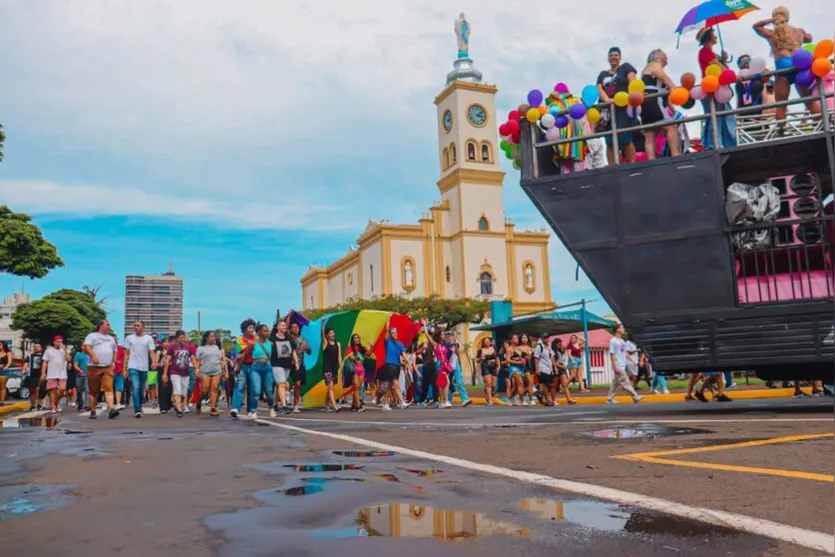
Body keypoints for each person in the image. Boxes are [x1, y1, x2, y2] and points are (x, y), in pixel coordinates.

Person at [753, 6, 818, 125]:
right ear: (787, 18)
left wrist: (770, 21)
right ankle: (822, 124)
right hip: (799, 65)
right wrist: (802, 34)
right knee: (810, 102)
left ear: (774, 18)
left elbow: (755, 26)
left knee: (781, 106)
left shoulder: (772, 34)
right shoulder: (798, 31)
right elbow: (809, 38)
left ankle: (781, 132)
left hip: (783, 65)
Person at [696, 28, 737, 149]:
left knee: (724, 116)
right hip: (713, 89)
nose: (716, 36)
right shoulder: (705, 51)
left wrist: (723, 60)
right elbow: (717, 66)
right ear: (709, 36)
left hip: (719, 89)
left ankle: (726, 143)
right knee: (716, 117)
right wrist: (732, 75)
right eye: (714, 34)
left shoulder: (712, 53)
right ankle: (712, 144)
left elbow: (723, 67)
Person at [596, 46, 638, 164]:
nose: (613, 57)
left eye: (616, 55)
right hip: (608, 109)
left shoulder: (625, 67)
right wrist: (607, 100)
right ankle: (612, 166)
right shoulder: (603, 74)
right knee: (609, 140)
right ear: (608, 58)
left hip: (623, 107)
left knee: (626, 138)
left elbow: (632, 81)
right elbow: (599, 88)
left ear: (620, 57)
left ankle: (632, 163)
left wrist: (634, 95)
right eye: (611, 55)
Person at [640, 49, 681, 160]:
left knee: (650, 133)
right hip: (655, 102)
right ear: (657, 57)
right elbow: (663, 77)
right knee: (671, 126)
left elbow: (665, 97)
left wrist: (674, 111)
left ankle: (651, 160)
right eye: (664, 54)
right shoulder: (654, 64)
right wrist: (675, 88)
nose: (666, 56)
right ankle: (675, 155)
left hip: (646, 103)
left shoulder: (645, 71)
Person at [83, 320, 119, 419]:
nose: (109, 326)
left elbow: (115, 350)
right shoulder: (92, 335)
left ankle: (111, 409)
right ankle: (93, 410)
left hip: (107, 367)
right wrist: (93, 355)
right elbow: (87, 347)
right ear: (101, 326)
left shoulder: (111, 338)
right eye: (107, 324)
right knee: (93, 390)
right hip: (94, 367)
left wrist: (113, 361)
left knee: (108, 388)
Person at [123, 320, 157, 418]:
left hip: (144, 367)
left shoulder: (148, 338)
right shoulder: (129, 338)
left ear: (143, 327)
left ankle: (139, 406)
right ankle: (137, 410)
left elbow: (152, 352)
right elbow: (126, 353)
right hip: (132, 366)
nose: (135, 327)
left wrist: (154, 362)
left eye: (138, 325)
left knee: (141, 389)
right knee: (136, 387)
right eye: (134, 325)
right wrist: (124, 368)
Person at [163, 330, 198, 418]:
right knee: (177, 390)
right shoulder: (172, 348)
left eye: (184, 337)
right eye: (182, 338)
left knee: (184, 392)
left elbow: (193, 358)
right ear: (177, 338)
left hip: (185, 373)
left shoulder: (188, 347)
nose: (184, 339)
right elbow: (167, 361)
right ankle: (179, 409)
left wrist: (196, 368)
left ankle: (177, 404)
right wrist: (165, 374)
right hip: (175, 372)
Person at [606, 324, 643, 404]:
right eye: (622, 328)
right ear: (617, 330)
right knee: (626, 381)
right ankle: (635, 397)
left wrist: (631, 361)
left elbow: (625, 353)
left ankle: (609, 398)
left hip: (622, 365)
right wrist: (614, 366)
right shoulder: (613, 341)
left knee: (615, 383)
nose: (623, 329)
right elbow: (612, 354)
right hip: (617, 365)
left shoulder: (622, 341)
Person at [230, 319, 257, 419]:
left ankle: (251, 410)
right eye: (250, 327)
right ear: (245, 329)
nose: (252, 329)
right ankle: (235, 407)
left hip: (254, 365)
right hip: (243, 366)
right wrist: (249, 350)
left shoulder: (257, 338)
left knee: (253, 389)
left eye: (253, 327)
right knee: (240, 386)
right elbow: (239, 355)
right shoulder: (239, 340)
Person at [269, 320, 297, 416]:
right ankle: (284, 406)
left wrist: (296, 362)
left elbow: (293, 351)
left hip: (287, 364)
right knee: (282, 384)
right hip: (276, 364)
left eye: (285, 325)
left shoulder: (289, 338)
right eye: (282, 325)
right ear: (277, 327)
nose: (284, 326)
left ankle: (275, 403)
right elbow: (269, 351)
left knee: (279, 385)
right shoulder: (272, 338)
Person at [196, 331, 224, 416]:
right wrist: (197, 369)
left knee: (215, 388)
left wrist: (222, 368)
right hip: (205, 371)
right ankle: (199, 401)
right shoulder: (200, 348)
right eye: (211, 336)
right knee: (205, 390)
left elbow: (220, 359)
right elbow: (197, 360)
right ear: (206, 338)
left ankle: (213, 407)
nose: (214, 338)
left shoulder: (216, 347)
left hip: (216, 371)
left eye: (214, 336)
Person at [41, 335, 71, 414]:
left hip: (62, 373)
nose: (59, 343)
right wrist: (43, 373)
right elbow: (45, 362)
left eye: (61, 341)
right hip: (51, 373)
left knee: (62, 389)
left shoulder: (64, 351)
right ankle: (52, 406)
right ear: (54, 342)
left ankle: (56, 402)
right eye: (58, 341)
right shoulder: (49, 351)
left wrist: (64, 349)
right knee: (52, 391)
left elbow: (69, 359)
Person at [381, 327, 408, 411]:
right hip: (389, 364)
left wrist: (407, 362)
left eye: (396, 332)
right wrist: (388, 322)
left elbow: (403, 353)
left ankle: (385, 404)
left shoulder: (400, 344)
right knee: (396, 384)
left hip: (397, 366)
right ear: (390, 334)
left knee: (389, 385)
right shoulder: (387, 342)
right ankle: (402, 402)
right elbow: (386, 333)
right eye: (393, 333)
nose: (395, 334)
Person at [549, 336, 578, 405]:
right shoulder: (552, 351)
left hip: (562, 368)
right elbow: (553, 362)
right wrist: (561, 366)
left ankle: (569, 399)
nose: (560, 345)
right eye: (559, 344)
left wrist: (564, 366)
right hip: (556, 367)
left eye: (561, 344)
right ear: (555, 344)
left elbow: (563, 359)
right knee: (554, 385)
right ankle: (553, 400)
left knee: (565, 384)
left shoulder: (561, 351)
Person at [445, 331, 470, 408]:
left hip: (455, 364)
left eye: (450, 336)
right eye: (447, 336)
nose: (449, 337)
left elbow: (456, 352)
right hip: (447, 364)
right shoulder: (445, 345)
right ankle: (448, 400)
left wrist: (455, 344)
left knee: (459, 381)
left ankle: (465, 399)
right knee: (448, 383)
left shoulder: (455, 344)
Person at [289, 322, 310, 413]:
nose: (295, 328)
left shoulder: (303, 340)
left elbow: (309, 352)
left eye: (297, 327)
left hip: (302, 364)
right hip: (293, 364)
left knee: (299, 384)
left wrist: (307, 348)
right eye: (293, 327)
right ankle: (295, 404)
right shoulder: (290, 339)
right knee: (297, 383)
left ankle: (296, 403)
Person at [321, 327, 341, 412]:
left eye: (333, 332)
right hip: (327, 368)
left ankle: (326, 404)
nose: (332, 334)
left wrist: (340, 366)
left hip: (334, 368)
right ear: (327, 335)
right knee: (331, 386)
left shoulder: (338, 344)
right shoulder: (325, 342)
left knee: (331, 387)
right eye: (330, 333)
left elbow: (339, 356)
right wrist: (323, 323)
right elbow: (322, 333)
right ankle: (334, 406)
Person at [346, 334, 366, 412]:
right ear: (352, 340)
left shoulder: (361, 348)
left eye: (358, 338)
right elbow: (352, 358)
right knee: (356, 387)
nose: (356, 339)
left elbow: (367, 355)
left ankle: (354, 405)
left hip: (361, 369)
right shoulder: (350, 348)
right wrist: (357, 359)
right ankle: (358, 405)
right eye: (355, 338)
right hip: (354, 369)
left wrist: (370, 347)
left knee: (359, 388)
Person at [476, 337, 499, 405]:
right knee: (488, 383)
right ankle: (490, 400)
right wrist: (481, 358)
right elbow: (477, 360)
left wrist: (498, 366)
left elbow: (497, 358)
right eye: (485, 341)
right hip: (485, 366)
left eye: (488, 341)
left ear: (490, 342)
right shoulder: (481, 350)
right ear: (483, 343)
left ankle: (486, 390)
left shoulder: (494, 348)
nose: (487, 342)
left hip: (494, 367)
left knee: (493, 384)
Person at [22, 344, 44, 410]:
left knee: (39, 390)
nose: (36, 348)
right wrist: (24, 370)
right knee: (33, 391)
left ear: (41, 348)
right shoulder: (30, 356)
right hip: (32, 375)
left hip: (41, 375)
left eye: (38, 346)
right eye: (34, 347)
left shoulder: (44, 356)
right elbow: (26, 364)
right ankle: (33, 405)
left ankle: (39, 404)